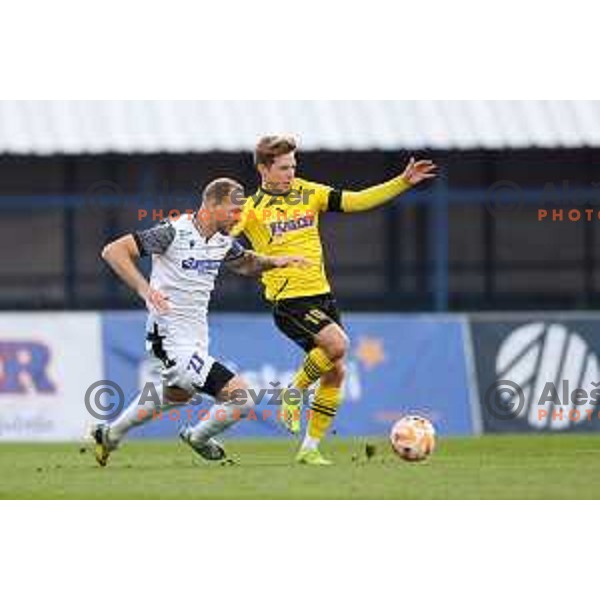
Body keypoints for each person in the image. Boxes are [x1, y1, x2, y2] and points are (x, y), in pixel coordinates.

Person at [231, 136, 437, 465]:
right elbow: (224, 237)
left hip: (322, 296)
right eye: (284, 167)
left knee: (336, 373)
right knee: (338, 345)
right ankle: (293, 392)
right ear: (263, 169)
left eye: (294, 166)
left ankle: (309, 448)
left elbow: (355, 200)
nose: (290, 173)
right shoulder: (251, 209)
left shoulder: (308, 193)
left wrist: (402, 182)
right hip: (289, 300)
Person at [91, 177, 310, 466]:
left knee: (177, 395)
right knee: (241, 397)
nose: (238, 217)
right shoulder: (172, 232)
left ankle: (110, 434)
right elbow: (113, 251)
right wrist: (144, 289)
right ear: (211, 204)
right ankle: (197, 437)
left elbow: (245, 262)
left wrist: (275, 261)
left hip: (196, 337)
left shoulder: (221, 242)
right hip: (168, 337)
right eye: (233, 210)